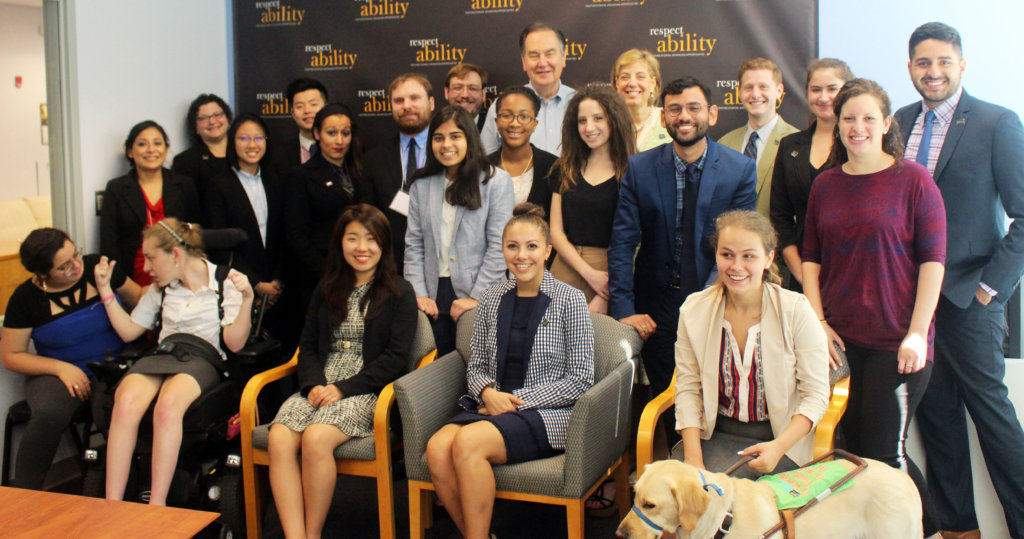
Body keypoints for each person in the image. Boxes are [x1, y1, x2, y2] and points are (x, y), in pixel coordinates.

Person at [894, 22, 1024, 538]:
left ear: (962, 65)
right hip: (911, 305)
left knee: (993, 421)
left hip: (971, 298)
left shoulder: (997, 123)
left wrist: (991, 289)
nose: (934, 72)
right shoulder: (898, 122)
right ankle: (958, 531)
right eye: (924, 63)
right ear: (910, 69)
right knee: (938, 422)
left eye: (944, 61)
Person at [802, 78, 945, 538]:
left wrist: (918, 332)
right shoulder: (825, 185)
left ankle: (929, 531)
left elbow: (933, 261)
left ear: (886, 124)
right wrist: (818, 322)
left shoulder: (913, 180)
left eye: (868, 118)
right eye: (848, 118)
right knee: (851, 453)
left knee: (886, 455)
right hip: (840, 343)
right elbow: (810, 260)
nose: (857, 127)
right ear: (836, 125)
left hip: (896, 344)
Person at [425, 202, 594, 539]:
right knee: (436, 448)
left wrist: (513, 400)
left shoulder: (570, 299)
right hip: (490, 405)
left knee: (468, 443)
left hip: (547, 415)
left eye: (532, 247)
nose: (522, 256)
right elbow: (476, 365)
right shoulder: (490, 298)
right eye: (512, 246)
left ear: (547, 252)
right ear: (502, 250)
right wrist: (487, 392)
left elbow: (581, 379)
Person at [267, 204, 417, 539]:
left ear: (384, 245)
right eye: (353, 239)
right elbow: (306, 347)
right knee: (279, 438)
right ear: (340, 243)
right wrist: (314, 385)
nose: (361, 248)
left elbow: (394, 358)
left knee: (317, 438)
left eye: (370, 239)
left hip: (365, 389)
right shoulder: (326, 288)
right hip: (319, 385)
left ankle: (313, 532)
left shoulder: (400, 292)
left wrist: (342, 389)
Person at [608, 76, 756, 396]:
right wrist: (623, 310)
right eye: (674, 109)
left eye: (693, 108)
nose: (684, 117)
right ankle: (676, 448)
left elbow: (740, 247)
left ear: (712, 114)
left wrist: (709, 300)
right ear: (663, 117)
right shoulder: (639, 168)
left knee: (715, 393)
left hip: (716, 299)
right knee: (666, 396)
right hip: (655, 309)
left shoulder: (739, 170)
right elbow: (622, 243)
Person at [95, 218, 254, 505]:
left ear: (176, 255)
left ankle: (157, 505)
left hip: (203, 357)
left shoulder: (225, 281)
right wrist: (106, 290)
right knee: (125, 400)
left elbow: (234, 343)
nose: (146, 268)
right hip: (162, 354)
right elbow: (130, 330)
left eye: (151, 258)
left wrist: (247, 299)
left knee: (167, 406)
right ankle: (112, 504)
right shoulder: (162, 288)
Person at [674, 210, 829, 480]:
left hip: (780, 439)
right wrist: (693, 460)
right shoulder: (693, 310)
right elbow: (688, 388)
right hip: (713, 434)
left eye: (748, 256)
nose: (736, 266)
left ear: (768, 258)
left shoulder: (797, 310)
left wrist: (778, 448)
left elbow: (815, 396)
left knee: (736, 506)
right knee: (676, 495)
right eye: (727, 254)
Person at [1, 229, 141, 490]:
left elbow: (141, 300)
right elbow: (11, 355)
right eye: (64, 267)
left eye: (75, 254)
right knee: (48, 414)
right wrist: (60, 368)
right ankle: (23, 498)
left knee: (113, 407)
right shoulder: (25, 298)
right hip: (58, 370)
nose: (76, 266)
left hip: (115, 363)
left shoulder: (97, 267)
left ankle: (126, 489)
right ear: (42, 274)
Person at [404, 106, 513, 356]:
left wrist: (476, 297)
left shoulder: (495, 181)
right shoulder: (421, 185)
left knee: (478, 369)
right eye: (438, 137)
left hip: (480, 292)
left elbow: (499, 246)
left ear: (469, 139)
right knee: (437, 370)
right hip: (431, 296)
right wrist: (418, 293)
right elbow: (414, 244)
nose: (446, 144)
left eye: (455, 136)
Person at [549, 83, 635, 314]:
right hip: (565, 269)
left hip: (612, 275)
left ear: (614, 120)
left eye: (598, 118)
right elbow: (555, 233)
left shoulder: (633, 171)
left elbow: (634, 240)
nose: (589, 127)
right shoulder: (564, 167)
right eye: (582, 120)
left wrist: (605, 292)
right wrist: (590, 275)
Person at [769, 58, 854, 292]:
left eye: (832, 89)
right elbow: (780, 217)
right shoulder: (790, 146)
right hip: (802, 276)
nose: (824, 97)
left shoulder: (859, 144)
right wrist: (801, 274)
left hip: (853, 275)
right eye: (816, 89)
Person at [204, 113, 288, 345]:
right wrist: (256, 284)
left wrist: (276, 283)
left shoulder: (276, 180)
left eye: (258, 138)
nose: (252, 145)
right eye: (244, 138)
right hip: (239, 286)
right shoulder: (218, 185)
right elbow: (219, 244)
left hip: (277, 288)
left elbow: (283, 235)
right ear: (233, 142)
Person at [284, 103, 365, 332]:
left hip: (360, 272)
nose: (339, 141)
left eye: (345, 133)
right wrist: (330, 274)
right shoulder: (301, 176)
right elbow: (296, 236)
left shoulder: (360, 172)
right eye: (331, 133)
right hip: (321, 277)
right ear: (317, 134)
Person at [100, 120, 201, 287]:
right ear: (130, 152)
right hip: (133, 281)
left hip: (179, 278)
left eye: (157, 143)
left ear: (166, 149)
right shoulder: (116, 188)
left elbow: (195, 235)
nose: (151, 150)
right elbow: (109, 244)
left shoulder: (184, 185)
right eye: (142, 144)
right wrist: (122, 285)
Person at [363, 73, 435, 275]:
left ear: (431, 103)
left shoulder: (448, 151)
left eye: (414, 98)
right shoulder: (374, 158)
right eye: (399, 100)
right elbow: (367, 215)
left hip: (442, 264)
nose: (406, 106)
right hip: (390, 266)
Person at [718, 58, 800, 219]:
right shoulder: (724, 143)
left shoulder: (796, 143)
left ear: (778, 91)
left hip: (779, 242)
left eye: (763, 87)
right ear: (739, 92)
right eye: (748, 87)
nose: (755, 94)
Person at [479, 22, 575, 156]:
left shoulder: (580, 104)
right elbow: (486, 161)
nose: (542, 63)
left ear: (563, 58)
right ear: (524, 62)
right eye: (534, 55)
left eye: (549, 54)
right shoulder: (502, 106)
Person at [486, 86, 558, 216]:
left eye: (524, 116)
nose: (514, 123)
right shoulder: (482, 167)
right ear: (496, 121)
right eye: (507, 115)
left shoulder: (554, 167)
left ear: (534, 124)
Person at [171, 94, 233, 218]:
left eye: (217, 115)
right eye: (204, 118)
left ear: (227, 118)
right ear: (196, 127)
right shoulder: (185, 162)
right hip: (208, 233)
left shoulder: (244, 153)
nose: (212, 121)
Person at [611, 48, 670, 152]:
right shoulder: (606, 124)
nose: (632, 83)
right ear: (617, 84)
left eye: (640, 77)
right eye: (625, 77)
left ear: (653, 83)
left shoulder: (669, 120)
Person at [272, 78, 328, 179]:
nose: (307, 110)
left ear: (326, 107)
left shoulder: (341, 148)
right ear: (292, 113)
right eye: (299, 106)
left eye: (313, 104)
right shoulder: (279, 156)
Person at [444, 63, 489, 131]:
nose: (465, 95)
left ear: (483, 94)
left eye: (472, 88)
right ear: (447, 92)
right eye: (458, 88)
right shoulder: (436, 128)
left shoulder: (495, 128)